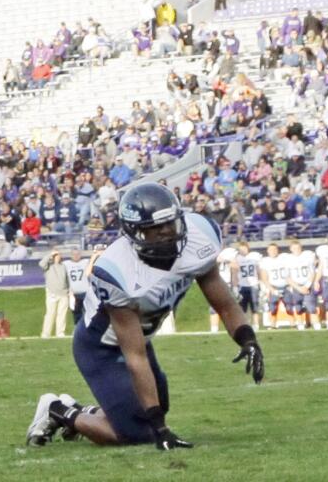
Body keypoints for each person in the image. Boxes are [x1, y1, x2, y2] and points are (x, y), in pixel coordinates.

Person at [26, 182, 264, 449]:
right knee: (138, 433)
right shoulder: (118, 270)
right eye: (154, 228)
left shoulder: (198, 236)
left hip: (140, 337)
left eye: (168, 224)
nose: (165, 233)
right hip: (101, 346)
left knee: (157, 405)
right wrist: (160, 429)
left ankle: (78, 409)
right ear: (135, 232)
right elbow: (135, 357)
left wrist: (248, 339)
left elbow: (224, 303)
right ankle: (57, 410)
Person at [284, 240, 321, 330]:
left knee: (311, 305)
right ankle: (300, 325)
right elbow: (287, 277)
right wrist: (298, 288)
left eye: (298, 248)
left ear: (301, 248)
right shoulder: (288, 259)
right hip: (296, 286)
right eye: (294, 248)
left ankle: (316, 325)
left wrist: (307, 286)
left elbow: (313, 273)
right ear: (291, 249)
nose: (297, 250)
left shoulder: (307, 256)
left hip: (307, 284)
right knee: (298, 306)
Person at [233, 240, 263, 331]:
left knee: (254, 306)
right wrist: (235, 287)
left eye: (244, 249)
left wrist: (260, 282)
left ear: (248, 248)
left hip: (253, 284)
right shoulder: (236, 258)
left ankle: (256, 325)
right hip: (242, 285)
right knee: (243, 308)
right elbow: (234, 273)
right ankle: (245, 324)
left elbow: (258, 271)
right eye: (241, 249)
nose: (243, 251)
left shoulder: (254, 256)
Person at [259, 242, 289, 329]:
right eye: (271, 250)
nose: (273, 251)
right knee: (273, 307)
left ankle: (294, 324)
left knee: (289, 306)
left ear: (278, 250)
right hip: (273, 286)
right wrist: (271, 289)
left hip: (285, 285)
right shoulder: (265, 261)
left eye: (275, 249)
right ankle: (272, 324)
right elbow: (264, 277)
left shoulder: (284, 258)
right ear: (267, 251)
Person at [40, 250, 69, 338]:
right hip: (52, 293)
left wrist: (69, 291)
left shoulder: (63, 266)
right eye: (56, 255)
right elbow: (41, 264)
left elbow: (67, 279)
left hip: (63, 293)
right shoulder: (48, 266)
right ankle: (46, 333)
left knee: (62, 314)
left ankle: (60, 332)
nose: (58, 256)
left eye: (59, 255)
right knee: (50, 313)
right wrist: (50, 254)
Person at [61, 249, 90, 327]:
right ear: (71, 255)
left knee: (89, 311)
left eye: (78, 254)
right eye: (74, 254)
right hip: (74, 293)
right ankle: (78, 328)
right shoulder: (66, 264)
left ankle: (89, 328)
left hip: (85, 291)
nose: (76, 256)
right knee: (76, 313)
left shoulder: (85, 262)